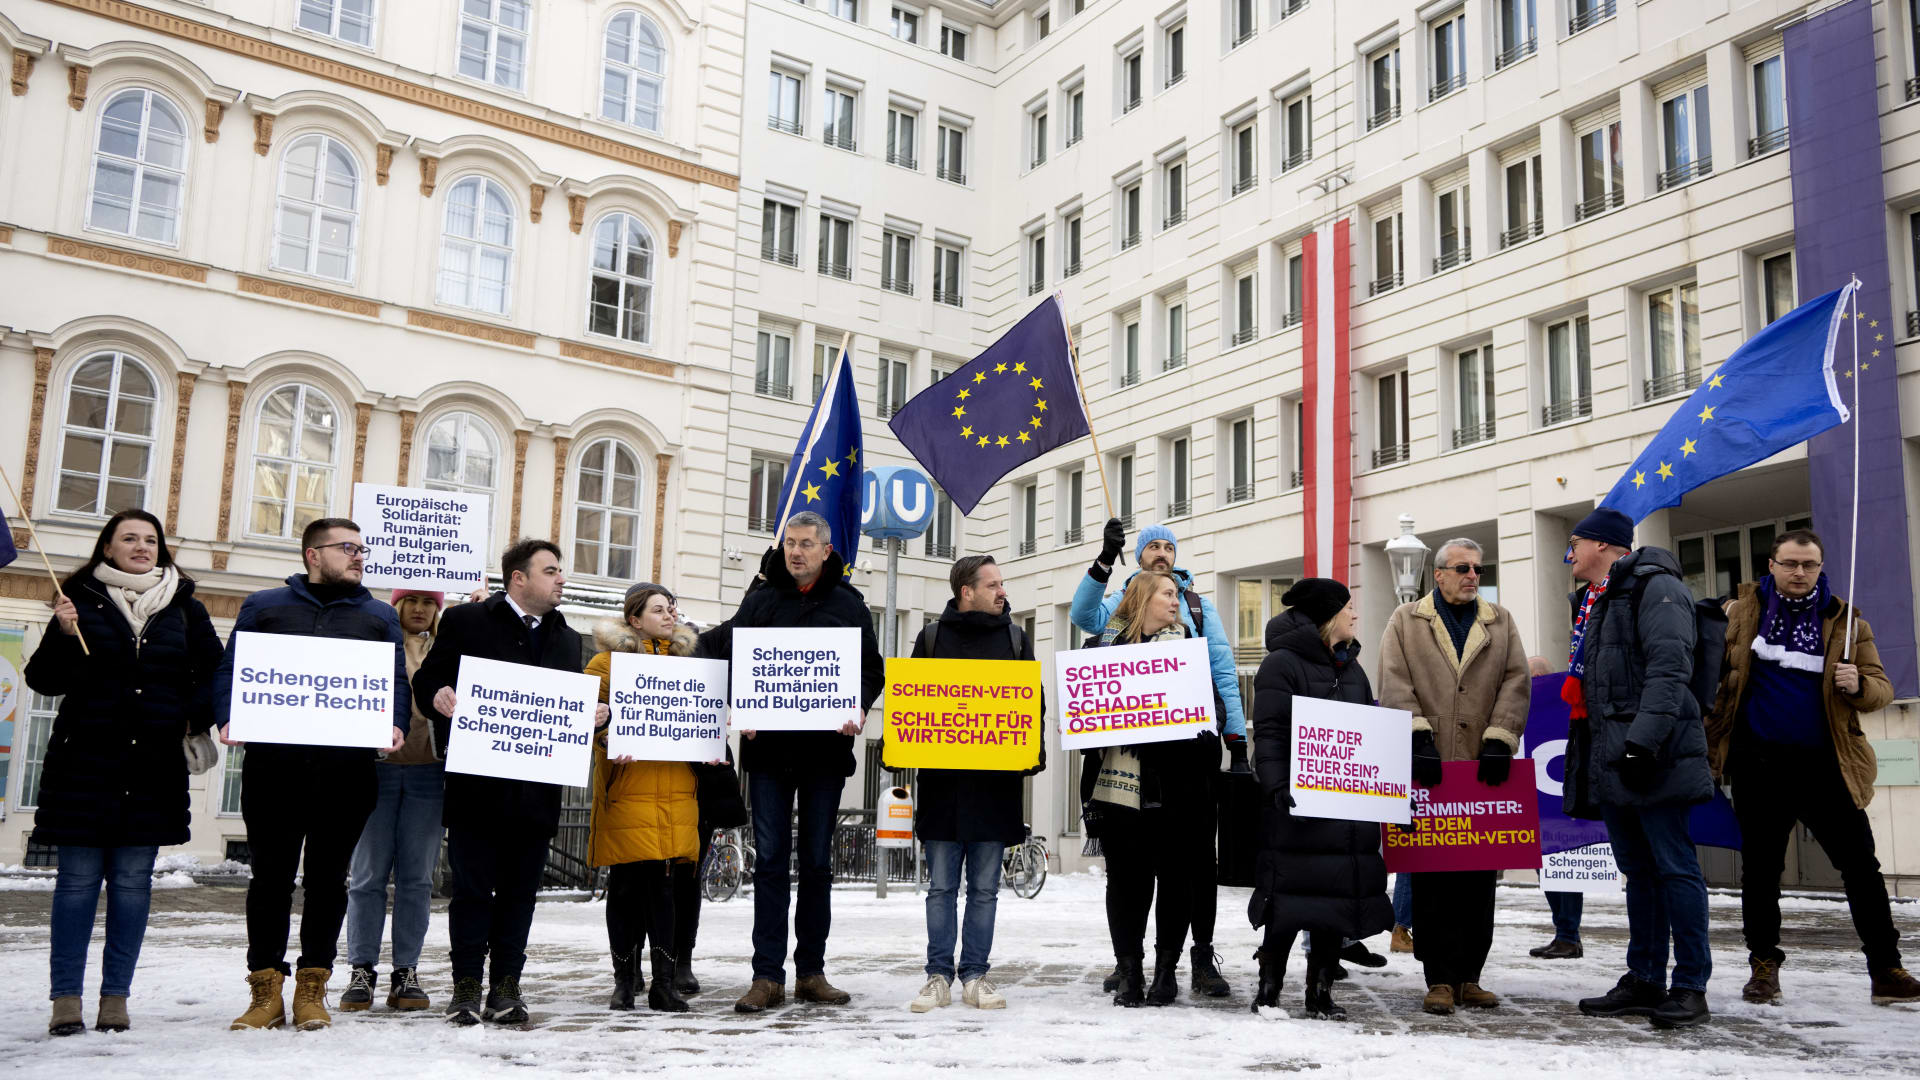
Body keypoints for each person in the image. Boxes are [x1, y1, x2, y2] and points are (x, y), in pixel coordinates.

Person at [26, 511, 223, 1037]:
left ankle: (116, 998)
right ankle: (65, 998)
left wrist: (188, 717)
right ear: (107, 548)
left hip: (154, 769)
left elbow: (213, 675)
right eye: (129, 539)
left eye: (150, 540)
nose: (142, 547)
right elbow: (43, 680)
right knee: (76, 886)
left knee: (134, 886)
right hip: (83, 766)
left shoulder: (186, 609)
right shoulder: (78, 604)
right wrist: (64, 635)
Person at [1705, 529, 1920, 1005]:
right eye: (1790, 564)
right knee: (1760, 872)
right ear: (1772, 566)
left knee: (1862, 869)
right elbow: (1710, 677)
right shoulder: (1740, 616)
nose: (1800, 573)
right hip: (1757, 764)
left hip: (1827, 765)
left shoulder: (1846, 623)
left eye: (1810, 565)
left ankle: (1886, 968)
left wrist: (1857, 682)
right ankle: (1764, 969)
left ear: (1821, 568)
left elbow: (1882, 689)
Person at [214, 518, 410, 1032]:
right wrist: (227, 712)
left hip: (345, 771)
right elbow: (232, 668)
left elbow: (393, 680)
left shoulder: (377, 615)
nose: (359, 556)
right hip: (273, 767)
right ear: (313, 555)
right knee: (270, 879)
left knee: (328, 880)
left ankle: (312, 988)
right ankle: (265, 989)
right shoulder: (265, 606)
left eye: (362, 548)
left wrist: (395, 721)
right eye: (347, 548)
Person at [700, 511, 883, 1014]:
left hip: (824, 757)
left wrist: (859, 706)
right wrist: (742, 702)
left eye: (806, 544)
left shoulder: (849, 605)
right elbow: (730, 658)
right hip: (769, 757)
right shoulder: (760, 601)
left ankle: (811, 972)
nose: (796, 552)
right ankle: (766, 976)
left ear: (826, 551)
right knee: (773, 863)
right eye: (790, 544)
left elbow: (872, 669)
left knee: (819, 865)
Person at [414, 539, 603, 1026]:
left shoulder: (566, 636)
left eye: (561, 571)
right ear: (518, 578)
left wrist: (595, 715)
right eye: (551, 570)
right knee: (474, 892)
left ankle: (506, 989)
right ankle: (465, 990)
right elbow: (428, 679)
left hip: (536, 792)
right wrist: (438, 695)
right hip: (478, 787)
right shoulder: (467, 621)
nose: (562, 578)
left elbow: (563, 706)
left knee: (520, 894)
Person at [1073, 521, 1244, 997]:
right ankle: (1129, 969)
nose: (1177, 601)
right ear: (1142, 600)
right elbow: (1084, 716)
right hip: (1122, 786)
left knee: (1177, 879)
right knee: (1126, 881)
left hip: (1182, 785)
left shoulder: (1190, 652)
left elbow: (1216, 701)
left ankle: (1168, 970)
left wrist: (1225, 740)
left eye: (1177, 594)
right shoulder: (1101, 650)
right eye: (1167, 595)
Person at [1560, 507, 1713, 1029]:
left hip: (1653, 755)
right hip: (1615, 756)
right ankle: (1645, 977)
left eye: (1576, 543)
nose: (1570, 554)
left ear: (1603, 545)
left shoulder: (1656, 587)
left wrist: (1642, 743)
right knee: (1639, 873)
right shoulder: (1598, 599)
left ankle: (1690, 985)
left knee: (1675, 868)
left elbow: (1671, 667)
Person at [1377, 538, 1531, 1015]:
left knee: (1479, 879)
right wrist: (1416, 738)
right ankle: (1439, 978)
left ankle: (1470, 976)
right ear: (1438, 574)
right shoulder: (1406, 620)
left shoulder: (1500, 620)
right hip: (1429, 771)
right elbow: (1395, 680)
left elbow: (1516, 679)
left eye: (1478, 569)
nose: (1472, 575)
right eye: (1462, 567)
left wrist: (1500, 738)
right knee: (1432, 880)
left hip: (1481, 772)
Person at [1247, 579, 1392, 1020]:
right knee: (1286, 902)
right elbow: (1268, 732)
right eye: (1348, 607)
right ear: (1328, 614)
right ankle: (1269, 987)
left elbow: (1367, 735)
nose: (1355, 615)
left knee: (1337, 902)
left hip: (1347, 811)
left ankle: (1321, 990)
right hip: (1297, 809)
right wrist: (1276, 785)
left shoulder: (1354, 669)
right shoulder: (1281, 665)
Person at [906, 556, 1045, 1013]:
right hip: (944, 789)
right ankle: (937, 976)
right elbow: (911, 702)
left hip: (994, 789)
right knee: (942, 887)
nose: (1002, 592)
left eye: (1001, 584)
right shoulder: (931, 638)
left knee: (985, 889)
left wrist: (1032, 750)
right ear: (967, 591)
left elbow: (1033, 705)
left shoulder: (1015, 639)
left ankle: (975, 975)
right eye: (993, 585)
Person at [586, 583, 700, 1013]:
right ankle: (624, 982)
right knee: (627, 888)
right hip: (628, 787)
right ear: (634, 619)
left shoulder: (689, 666)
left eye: (672, 607)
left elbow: (700, 717)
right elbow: (585, 719)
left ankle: (663, 984)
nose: (670, 615)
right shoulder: (606, 665)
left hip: (673, 788)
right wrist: (606, 733)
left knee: (666, 889)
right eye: (658, 609)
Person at [341, 589, 449, 1014]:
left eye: (429, 602)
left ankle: (406, 971)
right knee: (367, 877)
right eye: (412, 601)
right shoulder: (375, 642)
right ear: (397, 605)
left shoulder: (447, 650)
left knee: (417, 880)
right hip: (377, 770)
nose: (421, 609)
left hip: (429, 772)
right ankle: (361, 969)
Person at [1524, 655, 1585, 961]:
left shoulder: (1562, 708)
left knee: (1566, 872)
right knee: (1546, 873)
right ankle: (1563, 932)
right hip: (1536, 809)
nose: (1532, 683)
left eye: (1536, 676)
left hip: (1562, 809)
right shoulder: (1526, 711)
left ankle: (1569, 935)